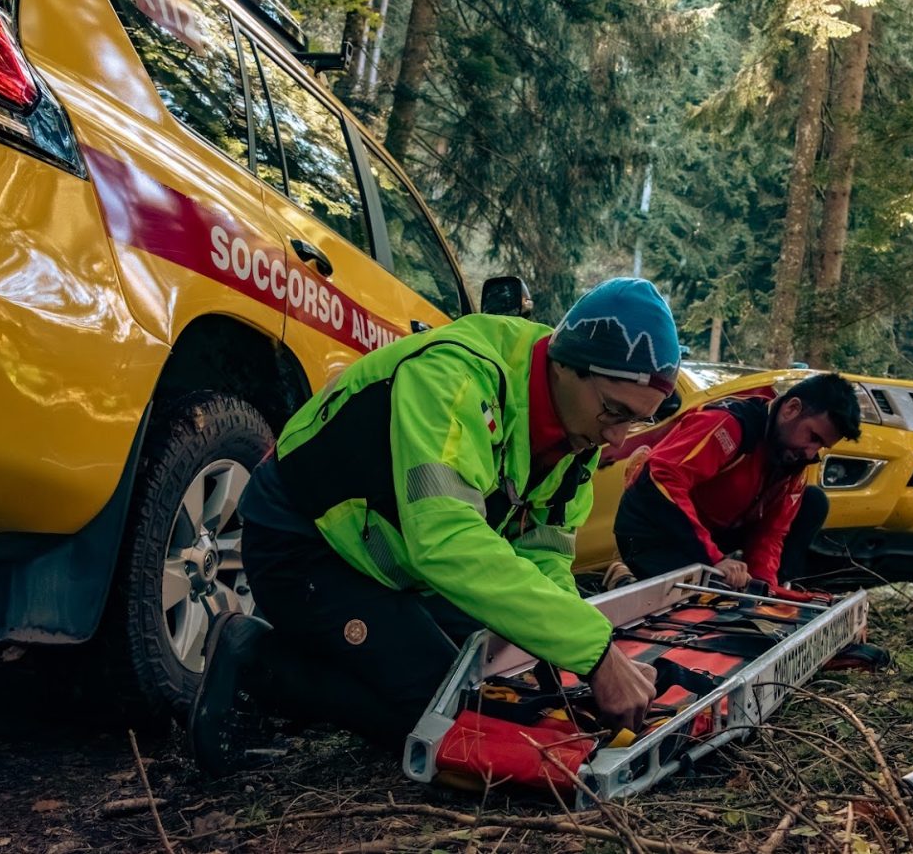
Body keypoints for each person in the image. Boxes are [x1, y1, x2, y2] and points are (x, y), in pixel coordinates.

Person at [187, 277, 681, 776]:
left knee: (488, 678)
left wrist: (571, 665)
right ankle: (252, 659)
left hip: (394, 564)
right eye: (614, 411)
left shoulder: (576, 442)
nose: (617, 437)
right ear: (565, 363)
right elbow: (445, 538)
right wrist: (596, 655)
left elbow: (544, 560)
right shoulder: (457, 376)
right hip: (301, 542)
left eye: (634, 421)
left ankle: (338, 657)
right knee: (438, 713)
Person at [613, 373, 861, 590]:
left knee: (813, 502)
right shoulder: (728, 424)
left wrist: (763, 586)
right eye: (813, 437)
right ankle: (624, 577)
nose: (810, 453)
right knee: (701, 598)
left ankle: (776, 593)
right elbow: (662, 480)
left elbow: (772, 533)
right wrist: (714, 560)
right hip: (653, 525)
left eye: (820, 445)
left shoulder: (794, 459)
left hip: (711, 533)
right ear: (791, 409)